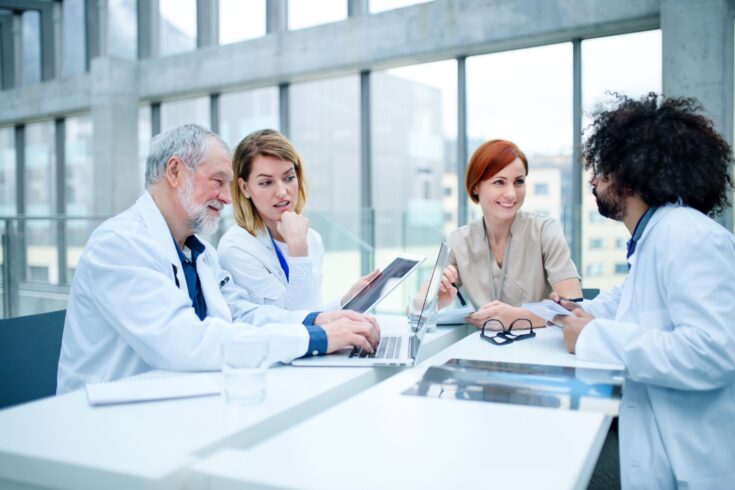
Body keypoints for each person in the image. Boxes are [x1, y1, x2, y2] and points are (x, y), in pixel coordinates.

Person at [57, 124, 379, 394]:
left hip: (172, 402)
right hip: (106, 419)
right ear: (174, 171)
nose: (227, 197)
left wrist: (317, 321)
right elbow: (184, 342)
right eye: (217, 181)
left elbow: (241, 314)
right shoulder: (119, 244)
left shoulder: (200, 253)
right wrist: (314, 338)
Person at [553, 94, 735, 489]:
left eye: (602, 170)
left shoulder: (688, 236)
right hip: (659, 445)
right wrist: (574, 312)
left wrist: (593, 336)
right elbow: (629, 302)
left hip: (693, 463)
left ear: (631, 174)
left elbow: (713, 351)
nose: (594, 181)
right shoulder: (654, 237)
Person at [218, 129, 378, 311]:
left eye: (289, 178)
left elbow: (312, 311)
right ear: (245, 188)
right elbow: (296, 321)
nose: (282, 192)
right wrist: (298, 251)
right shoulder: (236, 249)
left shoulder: (311, 238)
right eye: (266, 183)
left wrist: (345, 302)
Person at [439, 139, 581, 329]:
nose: (512, 194)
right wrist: (436, 298)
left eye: (519, 182)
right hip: (483, 349)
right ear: (475, 187)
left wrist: (516, 317)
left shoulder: (545, 230)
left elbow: (574, 309)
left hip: (541, 347)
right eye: (499, 182)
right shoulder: (459, 241)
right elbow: (417, 308)